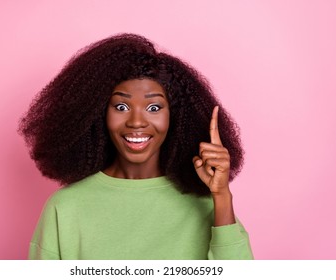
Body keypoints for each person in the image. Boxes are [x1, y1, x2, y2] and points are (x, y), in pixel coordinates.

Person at [19, 33, 254, 260]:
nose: (136, 122)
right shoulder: (65, 207)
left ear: (177, 117)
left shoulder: (207, 205)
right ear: (97, 113)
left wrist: (222, 197)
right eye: (121, 107)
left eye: (154, 108)